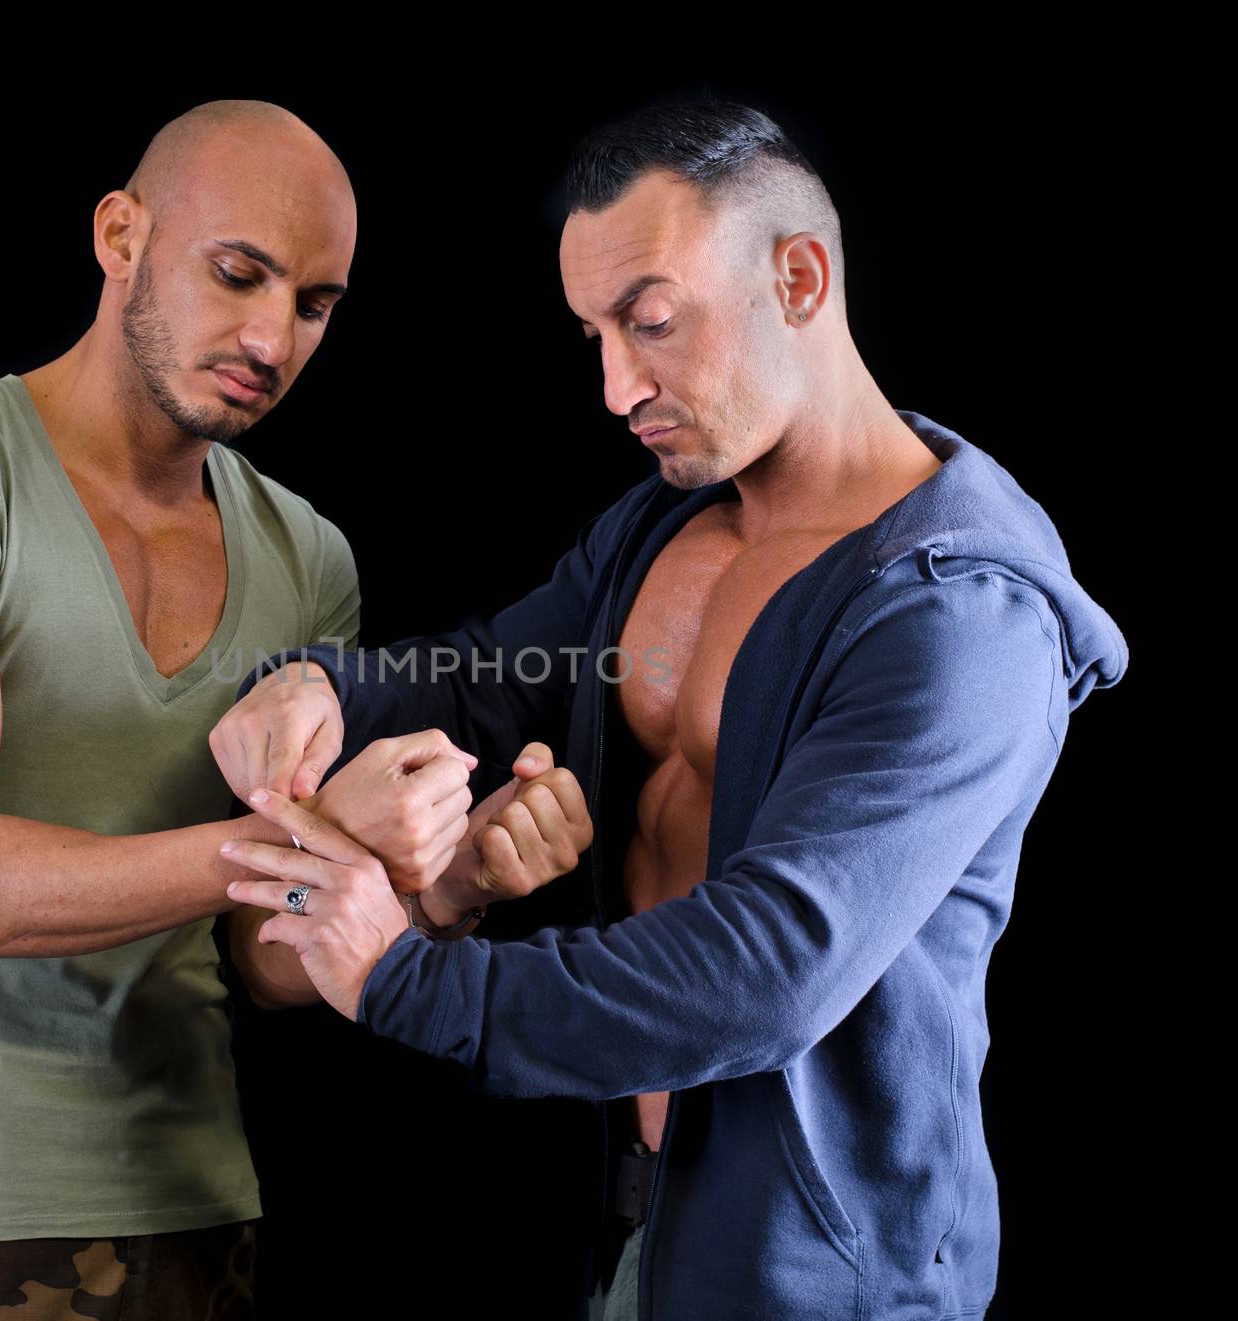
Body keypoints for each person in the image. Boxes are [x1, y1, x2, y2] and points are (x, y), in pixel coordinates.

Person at [211, 97, 1128, 1321]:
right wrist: (320, 683)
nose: (613, 385)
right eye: (593, 333)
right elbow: (498, 673)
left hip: (817, 1282)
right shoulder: (668, 523)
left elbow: (769, 966)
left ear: (798, 277)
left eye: (650, 322)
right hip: (630, 1216)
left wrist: (401, 978)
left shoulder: (959, 617)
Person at [0, 98, 585, 1319]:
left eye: (313, 304)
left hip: (200, 1205)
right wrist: (307, 841)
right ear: (119, 235)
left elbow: (262, 953)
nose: (271, 336)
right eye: (238, 273)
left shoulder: (308, 553)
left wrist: (442, 881)